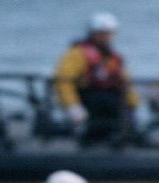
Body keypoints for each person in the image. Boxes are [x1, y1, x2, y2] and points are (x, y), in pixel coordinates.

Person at [52, 11, 139, 145]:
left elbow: (125, 82)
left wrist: (133, 103)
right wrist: (72, 105)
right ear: (92, 33)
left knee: (122, 114)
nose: (105, 38)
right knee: (101, 117)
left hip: (112, 101)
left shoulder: (113, 58)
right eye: (101, 34)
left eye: (108, 34)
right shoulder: (76, 54)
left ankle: (122, 139)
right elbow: (63, 81)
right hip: (89, 98)